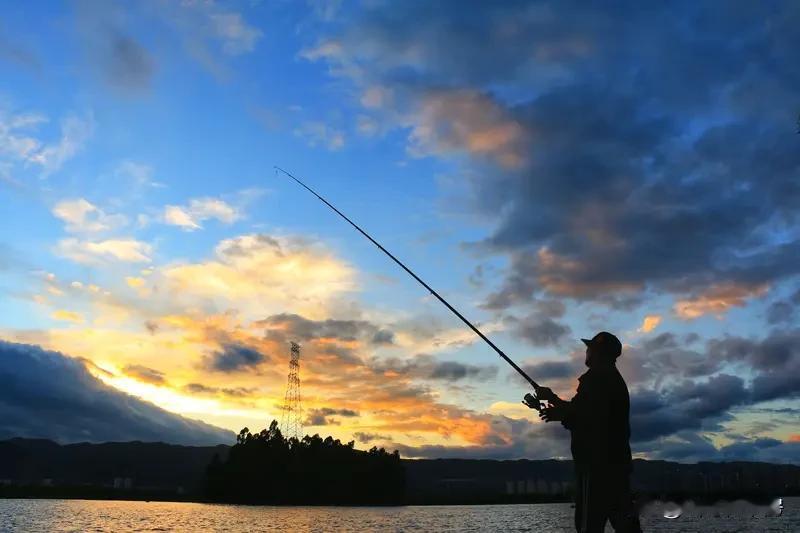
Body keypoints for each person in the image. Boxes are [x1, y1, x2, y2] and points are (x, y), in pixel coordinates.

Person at [523, 332, 642, 533]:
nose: (587, 352)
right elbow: (587, 417)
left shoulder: (595, 378)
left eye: (591, 349)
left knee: (589, 527)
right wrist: (555, 406)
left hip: (595, 471)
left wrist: (554, 402)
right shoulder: (612, 379)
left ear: (599, 354)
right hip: (616, 470)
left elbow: (583, 418)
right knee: (627, 528)